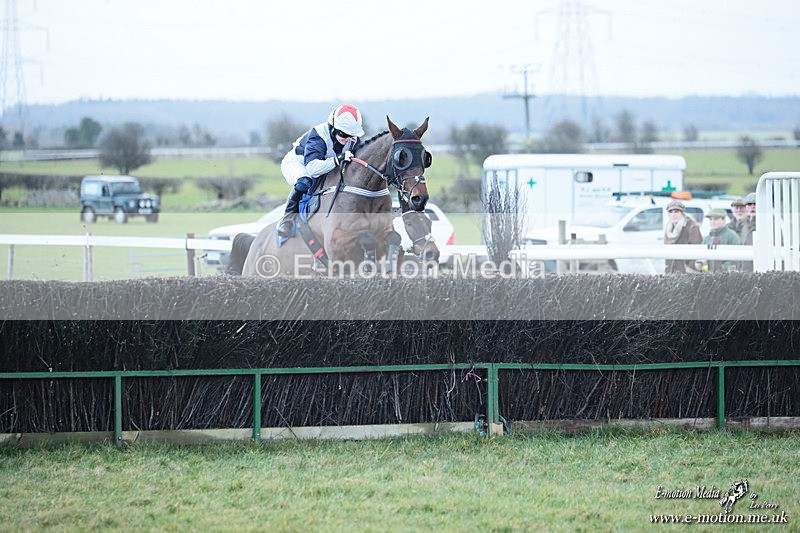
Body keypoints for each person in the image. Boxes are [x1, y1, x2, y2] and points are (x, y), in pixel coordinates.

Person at [277, 104, 365, 238]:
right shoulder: (318, 136)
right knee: (304, 181)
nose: (347, 139)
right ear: (332, 128)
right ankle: (287, 220)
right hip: (299, 164)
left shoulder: (352, 139)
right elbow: (313, 169)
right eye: (343, 134)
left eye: (351, 136)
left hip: (323, 164)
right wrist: (338, 159)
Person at [663, 200, 703, 274]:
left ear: (682, 213)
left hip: (687, 272)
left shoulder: (691, 226)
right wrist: (667, 268)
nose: (673, 215)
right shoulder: (668, 228)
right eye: (671, 212)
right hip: (671, 271)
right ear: (668, 214)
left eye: (676, 212)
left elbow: (697, 249)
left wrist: (690, 269)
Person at [701, 208, 741, 272]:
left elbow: (737, 258)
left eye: (716, 219)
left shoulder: (732, 236)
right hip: (710, 277)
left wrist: (723, 268)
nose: (712, 222)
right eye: (710, 219)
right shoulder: (707, 238)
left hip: (728, 277)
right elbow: (701, 256)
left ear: (723, 220)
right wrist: (700, 263)